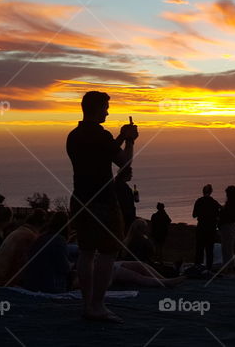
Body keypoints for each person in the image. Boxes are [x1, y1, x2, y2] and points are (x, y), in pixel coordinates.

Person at [66, 90, 138, 323]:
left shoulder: (74, 135)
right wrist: (129, 140)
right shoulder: (101, 135)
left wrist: (116, 138)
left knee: (86, 252)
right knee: (108, 252)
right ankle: (98, 305)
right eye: (105, 107)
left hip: (80, 198)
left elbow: (100, 154)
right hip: (103, 201)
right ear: (96, 108)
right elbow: (123, 162)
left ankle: (88, 305)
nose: (107, 111)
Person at [0, 208, 47, 286]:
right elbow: (21, 264)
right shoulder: (29, 237)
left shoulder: (19, 232)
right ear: (40, 224)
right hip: (1, 281)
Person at [22, 211, 72, 293]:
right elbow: (64, 268)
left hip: (32, 283)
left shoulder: (41, 238)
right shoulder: (59, 240)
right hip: (48, 285)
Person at [192, 184, 221, 271]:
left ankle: (197, 267)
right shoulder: (215, 203)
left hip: (201, 227)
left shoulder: (199, 201)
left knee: (199, 249)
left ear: (203, 192)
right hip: (211, 229)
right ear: (211, 192)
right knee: (209, 250)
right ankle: (208, 268)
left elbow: (194, 215)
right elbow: (220, 214)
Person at [218, 185, 235, 275]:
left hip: (228, 226)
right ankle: (230, 266)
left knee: (227, 248)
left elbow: (230, 216)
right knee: (227, 248)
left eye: (227, 193)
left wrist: (221, 212)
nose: (226, 195)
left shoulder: (233, 204)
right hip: (230, 226)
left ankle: (229, 267)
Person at [114, 165, 136, 232]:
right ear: (125, 174)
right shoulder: (122, 187)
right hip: (125, 220)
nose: (131, 176)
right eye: (130, 173)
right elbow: (125, 205)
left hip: (124, 218)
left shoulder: (118, 184)